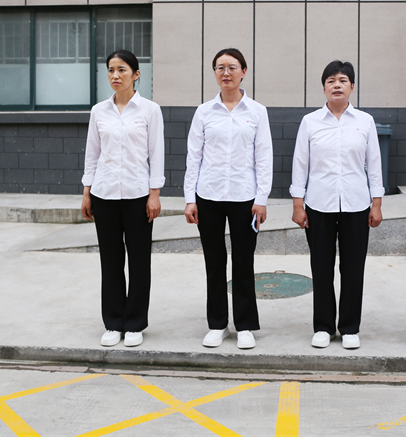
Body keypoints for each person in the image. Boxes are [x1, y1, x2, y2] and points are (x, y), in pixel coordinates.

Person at [290, 61, 384, 350]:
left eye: (343, 80)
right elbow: (300, 164)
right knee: (321, 267)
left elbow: (374, 164)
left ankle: (350, 327)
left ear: (352, 87)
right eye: (331, 81)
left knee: (353, 268)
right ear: (324, 88)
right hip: (319, 204)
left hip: (357, 204)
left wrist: (377, 203)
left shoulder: (365, 121)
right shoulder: (310, 122)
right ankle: (323, 326)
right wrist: (298, 204)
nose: (337, 85)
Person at [184, 48, 273, 350]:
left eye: (232, 67)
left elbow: (264, 158)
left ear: (243, 71)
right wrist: (190, 198)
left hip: (245, 197)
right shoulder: (204, 112)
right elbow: (193, 157)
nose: (226, 73)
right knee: (214, 260)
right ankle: (217, 324)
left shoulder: (257, 112)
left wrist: (262, 198)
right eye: (220, 67)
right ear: (214, 73)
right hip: (208, 195)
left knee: (244, 261)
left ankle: (244, 325)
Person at [81, 50, 164, 348]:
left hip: (138, 195)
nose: (115, 75)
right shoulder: (98, 111)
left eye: (122, 70)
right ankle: (114, 322)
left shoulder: (150, 110)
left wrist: (154, 194)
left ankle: (135, 323)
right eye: (111, 70)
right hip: (103, 195)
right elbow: (92, 154)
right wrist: (87, 191)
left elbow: (157, 154)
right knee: (111, 261)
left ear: (136, 74)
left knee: (139, 261)